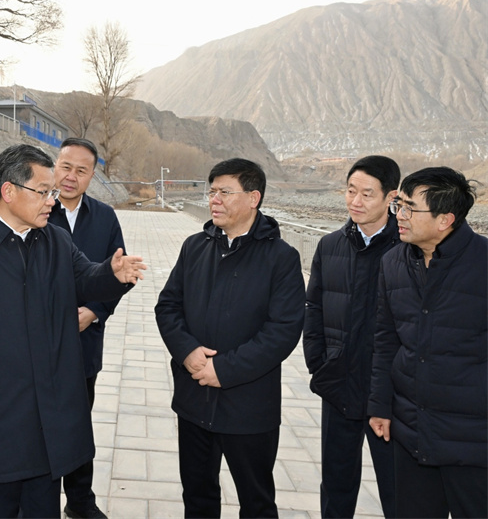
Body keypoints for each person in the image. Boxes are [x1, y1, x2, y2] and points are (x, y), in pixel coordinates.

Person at [0, 143, 146, 519]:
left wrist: (111, 274)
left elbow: (86, 277)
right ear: (9, 191)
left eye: (52, 192)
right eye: (43, 192)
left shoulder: (55, 241)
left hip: (48, 426)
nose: (51, 201)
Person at [155, 158, 305, 518]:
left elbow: (283, 330)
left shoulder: (281, 258)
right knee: (197, 497)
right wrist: (187, 351)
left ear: (253, 198)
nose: (214, 200)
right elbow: (168, 306)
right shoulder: (195, 247)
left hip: (248, 405)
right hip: (194, 398)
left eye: (225, 192)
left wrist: (223, 370)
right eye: (212, 192)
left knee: (256, 502)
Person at [368, 166, 487, 519]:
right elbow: (385, 340)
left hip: (474, 441)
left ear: (445, 219)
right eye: (399, 205)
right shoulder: (393, 262)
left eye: (410, 208)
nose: (399, 215)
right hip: (411, 433)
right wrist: (379, 405)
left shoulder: (483, 264)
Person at [303, 155, 400, 518]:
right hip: (338, 383)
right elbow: (313, 308)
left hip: (389, 394)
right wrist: (320, 363)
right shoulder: (330, 246)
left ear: (391, 197)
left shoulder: (407, 249)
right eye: (350, 191)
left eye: (367, 194)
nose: (355, 201)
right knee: (336, 486)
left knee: (398, 491)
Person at [48, 137, 125, 519]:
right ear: (55, 166)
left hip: (84, 342)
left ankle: (80, 501)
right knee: (39, 425)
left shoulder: (105, 218)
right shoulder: (37, 209)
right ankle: (40, 501)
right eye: (66, 167)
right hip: (39, 343)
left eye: (81, 170)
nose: (71, 176)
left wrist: (94, 311)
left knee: (79, 424)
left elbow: (119, 274)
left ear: (93, 175)